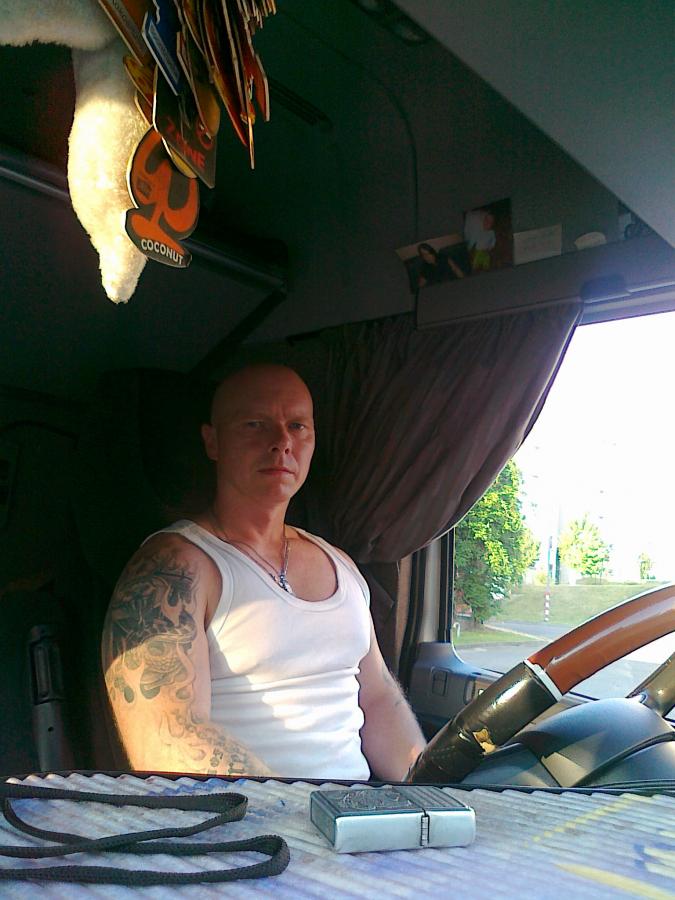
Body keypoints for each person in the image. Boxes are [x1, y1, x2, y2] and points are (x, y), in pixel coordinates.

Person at [101, 363, 425, 781]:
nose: (282, 442)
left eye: (297, 426)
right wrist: (302, 810)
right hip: (250, 817)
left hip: (358, 812)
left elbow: (378, 698)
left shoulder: (342, 565)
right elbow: (169, 740)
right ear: (213, 441)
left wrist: (429, 795)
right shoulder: (173, 569)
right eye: (255, 424)